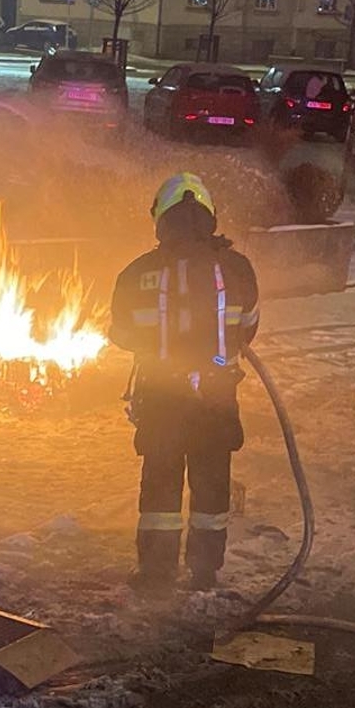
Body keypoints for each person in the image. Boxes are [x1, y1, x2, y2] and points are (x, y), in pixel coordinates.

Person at [109, 173, 260, 593]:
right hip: (216, 396)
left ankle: (156, 573)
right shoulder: (237, 268)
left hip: (160, 399)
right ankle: (204, 571)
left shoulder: (136, 273)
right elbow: (248, 328)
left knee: (160, 483)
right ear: (210, 217)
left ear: (161, 218)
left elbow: (120, 334)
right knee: (212, 484)